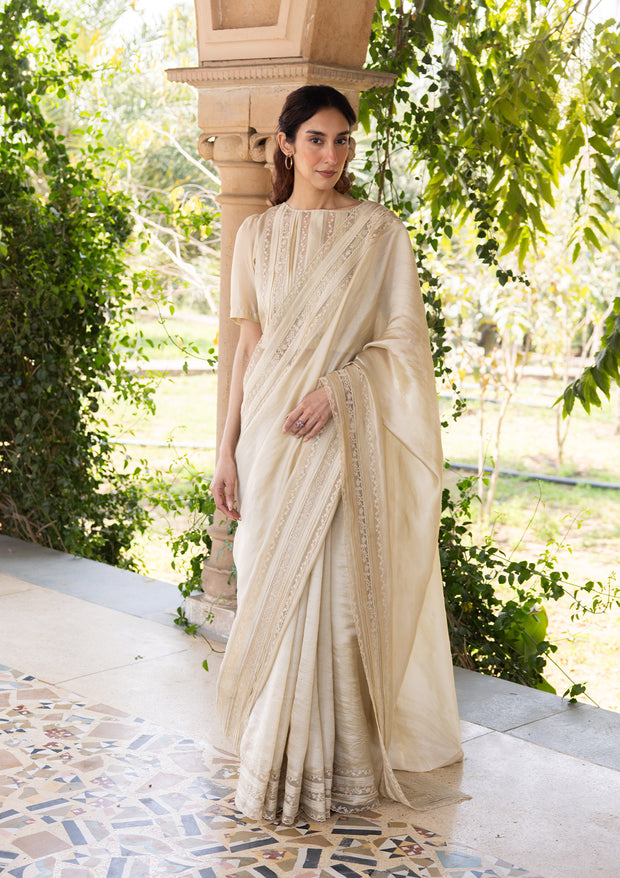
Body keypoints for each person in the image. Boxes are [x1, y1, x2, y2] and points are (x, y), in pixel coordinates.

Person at [210, 84, 462, 825]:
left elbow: (403, 345)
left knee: (334, 595)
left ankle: (335, 766)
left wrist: (339, 390)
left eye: (343, 140)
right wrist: (225, 450)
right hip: (269, 439)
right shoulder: (256, 235)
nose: (332, 154)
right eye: (316, 139)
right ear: (286, 144)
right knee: (271, 587)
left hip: (339, 440)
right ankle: (273, 754)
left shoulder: (378, 233)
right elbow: (248, 348)